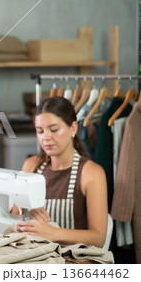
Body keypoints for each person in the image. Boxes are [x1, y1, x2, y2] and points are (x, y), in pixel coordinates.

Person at [15, 96, 108, 248]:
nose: (46, 137)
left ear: (73, 128)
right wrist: (27, 213)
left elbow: (98, 238)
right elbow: (13, 218)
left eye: (54, 130)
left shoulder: (91, 173)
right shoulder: (31, 166)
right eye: (40, 131)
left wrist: (54, 233)